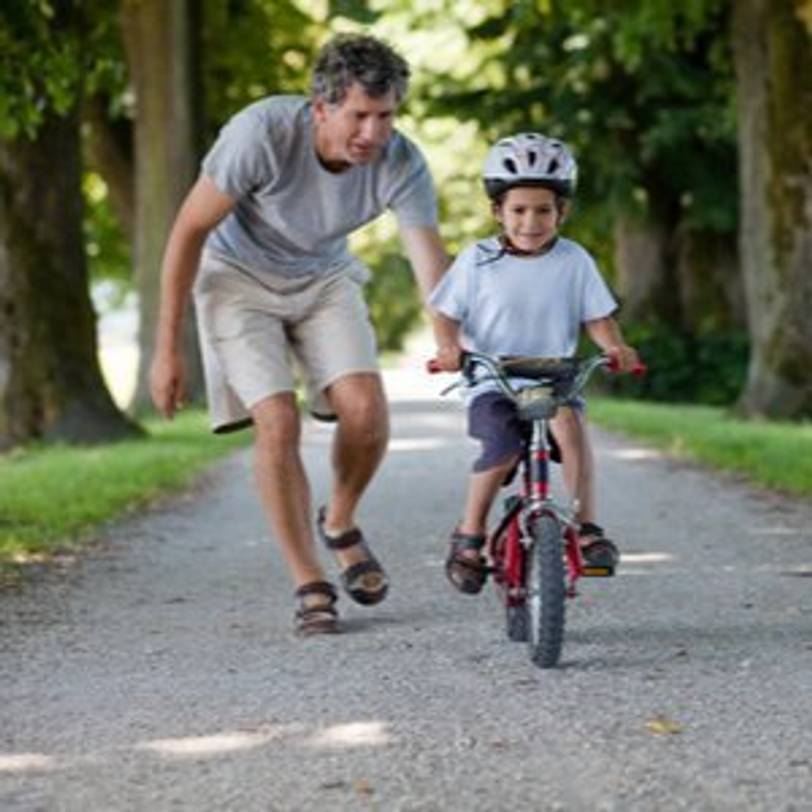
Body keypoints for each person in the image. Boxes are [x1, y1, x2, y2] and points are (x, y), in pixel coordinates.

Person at [149, 34, 454, 635]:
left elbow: (427, 258)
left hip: (322, 279)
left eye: (386, 115)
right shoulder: (260, 133)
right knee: (278, 420)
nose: (373, 133)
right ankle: (308, 580)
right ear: (321, 108)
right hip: (236, 279)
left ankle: (339, 521)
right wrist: (165, 349)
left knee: (365, 410)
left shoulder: (402, 162)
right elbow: (187, 231)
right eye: (359, 116)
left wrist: (449, 339)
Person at [429, 132, 640, 594]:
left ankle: (587, 528)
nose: (531, 221)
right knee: (501, 447)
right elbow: (444, 312)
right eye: (519, 210)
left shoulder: (573, 259)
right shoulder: (476, 260)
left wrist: (615, 347)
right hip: (493, 378)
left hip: (553, 376)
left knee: (570, 426)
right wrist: (449, 349)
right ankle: (470, 534)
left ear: (561, 212)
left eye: (544, 210)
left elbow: (598, 318)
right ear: (497, 212)